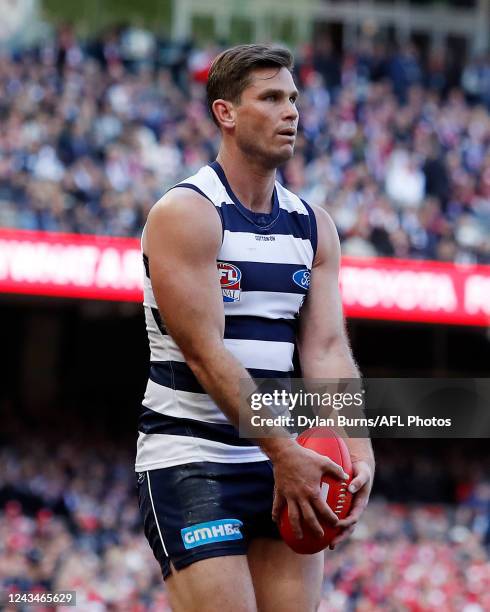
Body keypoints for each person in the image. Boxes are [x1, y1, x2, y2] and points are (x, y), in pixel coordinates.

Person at [136, 44, 375, 612]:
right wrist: (284, 452)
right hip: (193, 459)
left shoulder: (313, 225)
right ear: (226, 113)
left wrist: (357, 452)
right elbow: (204, 353)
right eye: (270, 98)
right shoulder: (187, 213)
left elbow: (326, 351)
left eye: (292, 98)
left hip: (283, 459)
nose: (290, 111)